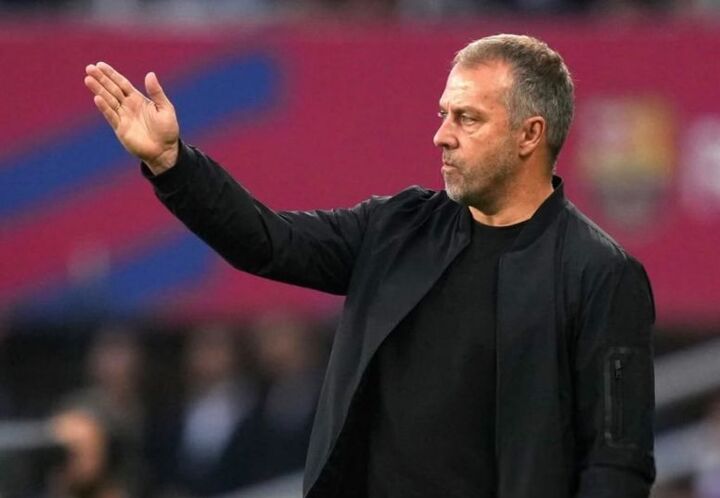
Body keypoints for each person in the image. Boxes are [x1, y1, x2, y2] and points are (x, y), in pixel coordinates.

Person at [83, 34, 656, 498]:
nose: (442, 136)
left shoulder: (601, 275)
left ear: (530, 134)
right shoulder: (397, 228)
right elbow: (268, 242)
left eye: (467, 118)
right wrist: (172, 163)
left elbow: (616, 463)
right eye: (443, 114)